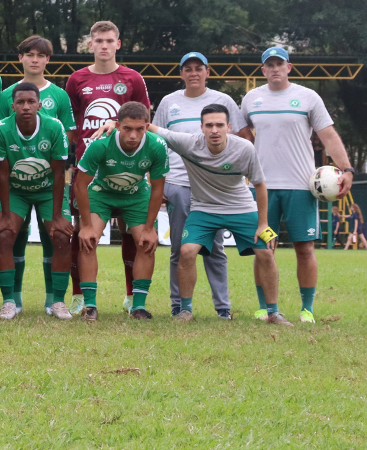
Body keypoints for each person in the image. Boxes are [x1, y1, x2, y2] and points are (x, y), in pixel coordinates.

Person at [240, 46, 355, 323]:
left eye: (280, 63)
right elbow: (241, 132)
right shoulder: (251, 99)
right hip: (262, 186)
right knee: (263, 249)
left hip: (301, 186)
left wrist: (347, 169)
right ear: (263, 70)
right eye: (270, 65)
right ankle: (264, 307)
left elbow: (328, 135)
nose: (275, 68)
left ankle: (307, 309)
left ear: (289, 67)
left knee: (305, 249)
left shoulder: (307, 97)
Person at [147, 104, 291, 324]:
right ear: (201, 128)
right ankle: (185, 311)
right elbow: (149, 127)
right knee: (186, 251)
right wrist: (115, 124)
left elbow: (260, 185)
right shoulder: (188, 143)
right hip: (204, 208)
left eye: (219, 125)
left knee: (266, 253)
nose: (214, 130)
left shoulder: (244, 149)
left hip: (241, 207)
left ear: (229, 127)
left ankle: (273, 312)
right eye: (209, 125)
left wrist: (263, 224)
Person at [65, 20, 151, 314]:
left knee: (130, 231)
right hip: (90, 169)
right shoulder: (76, 80)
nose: (103, 45)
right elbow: (75, 126)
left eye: (109, 40)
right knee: (83, 231)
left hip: (126, 169)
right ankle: (79, 296)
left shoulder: (133, 79)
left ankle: (131, 296)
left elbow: (144, 124)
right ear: (90, 45)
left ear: (118, 44)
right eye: (98, 40)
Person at [152, 52, 242, 318]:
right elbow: (157, 141)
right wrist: (159, 181)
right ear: (181, 74)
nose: (193, 73)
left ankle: (222, 308)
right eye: (187, 69)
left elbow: (238, 138)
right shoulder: (169, 102)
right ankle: (179, 306)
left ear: (207, 72)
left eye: (198, 68)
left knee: (215, 248)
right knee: (180, 247)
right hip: (178, 182)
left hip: (213, 186)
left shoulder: (223, 100)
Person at [0, 35, 76, 315]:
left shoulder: (59, 98)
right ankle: (11, 300)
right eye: (29, 54)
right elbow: (2, 155)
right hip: (16, 186)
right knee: (8, 234)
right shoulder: (7, 96)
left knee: (57, 235)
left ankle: (55, 300)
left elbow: (63, 154)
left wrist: (57, 214)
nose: (34, 59)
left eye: (40, 55)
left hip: (46, 185)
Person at [74, 102, 169, 320]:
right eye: (127, 128)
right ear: (117, 126)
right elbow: (80, 184)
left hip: (137, 195)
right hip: (102, 192)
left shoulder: (156, 146)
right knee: (88, 240)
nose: (133, 135)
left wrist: (149, 228)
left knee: (146, 244)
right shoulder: (100, 145)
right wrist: (87, 226)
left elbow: (157, 188)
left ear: (147, 127)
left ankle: (138, 306)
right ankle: (90, 307)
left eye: (139, 129)